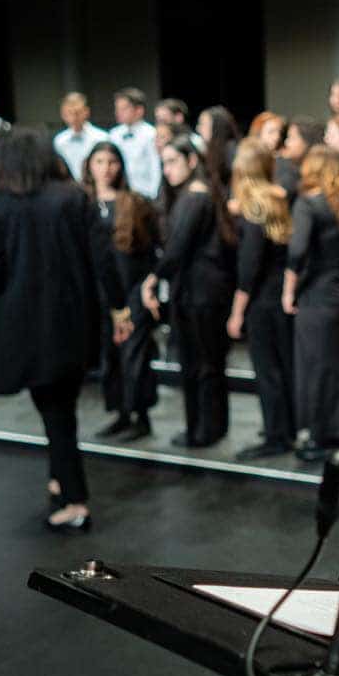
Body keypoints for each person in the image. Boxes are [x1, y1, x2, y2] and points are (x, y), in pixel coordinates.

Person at [0, 128, 118, 533]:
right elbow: (101, 260)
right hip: (72, 322)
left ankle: (74, 500)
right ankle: (61, 478)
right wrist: (117, 308)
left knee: (55, 413)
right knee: (61, 409)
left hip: (24, 326)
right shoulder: (73, 198)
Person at [140, 135, 237, 448]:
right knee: (208, 363)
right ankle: (211, 426)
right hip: (204, 290)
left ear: (191, 161)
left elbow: (177, 248)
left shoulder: (194, 198)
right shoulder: (200, 194)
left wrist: (153, 278)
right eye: (164, 163)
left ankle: (203, 430)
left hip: (200, 293)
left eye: (173, 162)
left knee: (200, 364)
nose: (167, 170)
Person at [283, 145, 339, 462]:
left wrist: (288, 291)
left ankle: (317, 436)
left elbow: (297, 252)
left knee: (314, 368)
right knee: (336, 367)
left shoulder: (308, 204)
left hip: (315, 297)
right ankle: (334, 431)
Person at [83, 141, 161, 441]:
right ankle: (121, 412)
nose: (106, 168)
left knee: (135, 354)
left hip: (132, 291)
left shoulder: (135, 203)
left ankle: (140, 415)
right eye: (99, 161)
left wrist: (148, 289)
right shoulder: (83, 203)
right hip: (101, 294)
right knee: (111, 355)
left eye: (112, 162)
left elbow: (152, 249)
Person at [227, 138, 296, 459]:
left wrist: (237, 312)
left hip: (261, 302)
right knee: (282, 368)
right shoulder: (277, 199)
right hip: (278, 296)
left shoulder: (253, 205)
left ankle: (276, 436)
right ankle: (287, 428)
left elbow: (248, 268)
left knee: (268, 371)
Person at [111, 87, 162, 198]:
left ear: (139, 110)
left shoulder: (151, 134)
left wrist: (154, 195)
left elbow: (155, 167)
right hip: (119, 194)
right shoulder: (113, 134)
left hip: (144, 194)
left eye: (123, 109)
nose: (118, 113)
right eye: (117, 109)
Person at [53, 92, 110, 181]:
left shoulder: (101, 138)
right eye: (69, 113)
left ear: (86, 112)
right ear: (63, 115)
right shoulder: (59, 140)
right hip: (69, 187)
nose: (74, 117)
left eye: (78, 112)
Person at [197, 105, 241, 179]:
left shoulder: (231, 150)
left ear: (217, 126)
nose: (198, 128)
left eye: (202, 124)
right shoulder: (214, 150)